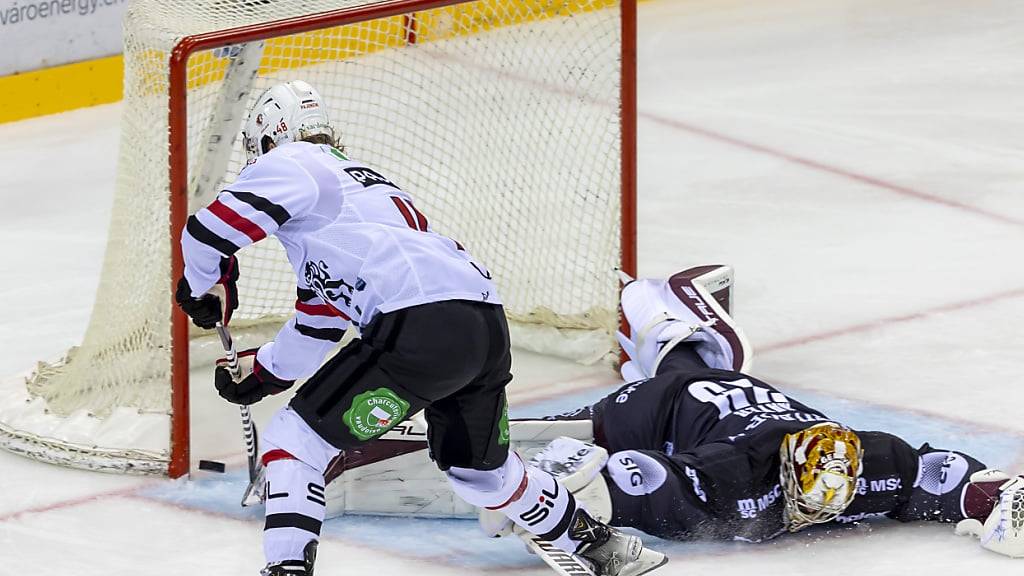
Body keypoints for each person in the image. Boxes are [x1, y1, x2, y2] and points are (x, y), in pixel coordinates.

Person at [173, 80, 665, 576]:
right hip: (481, 325)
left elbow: (205, 234)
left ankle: (286, 569)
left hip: (417, 323)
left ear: (268, 140)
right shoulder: (360, 198)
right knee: (482, 471)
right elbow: (317, 325)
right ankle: (602, 547)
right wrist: (263, 373)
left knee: (295, 442)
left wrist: (204, 287)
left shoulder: (294, 163)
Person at [514, 265, 1024, 558]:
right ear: (782, 472)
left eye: (827, 504)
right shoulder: (733, 472)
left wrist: (1000, 500)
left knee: (691, 374)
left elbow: (948, 478)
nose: (814, 517)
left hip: (734, 395)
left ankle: (676, 332)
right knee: (606, 421)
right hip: (660, 411)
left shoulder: (869, 460)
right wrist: (574, 499)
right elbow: (649, 478)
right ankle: (662, 326)